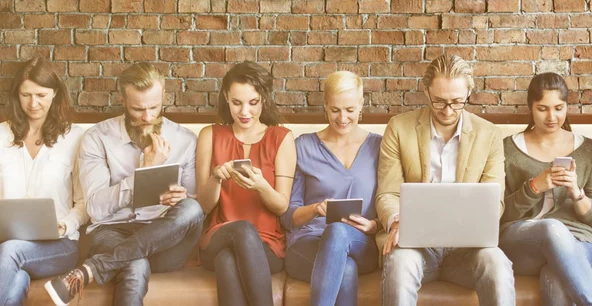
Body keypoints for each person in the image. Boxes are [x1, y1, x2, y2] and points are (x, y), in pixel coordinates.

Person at [44, 62, 204, 306]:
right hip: (111, 233)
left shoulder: (185, 140)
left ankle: (91, 270)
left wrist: (182, 199)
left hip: (164, 240)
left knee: (193, 209)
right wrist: (144, 173)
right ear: (122, 99)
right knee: (135, 262)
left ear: (163, 95)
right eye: (138, 109)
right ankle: (111, 262)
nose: (148, 117)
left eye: (154, 107)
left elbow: (192, 205)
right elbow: (96, 208)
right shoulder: (97, 137)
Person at [377, 54, 515, 306]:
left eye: (457, 102)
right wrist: (398, 220)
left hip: (467, 250)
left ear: (468, 94)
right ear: (426, 91)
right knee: (399, 264)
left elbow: (495, 202)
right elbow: (387, 194)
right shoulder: (399, 128)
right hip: (415, 246)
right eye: (439, 101)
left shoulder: (489, 134)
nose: (448, 111)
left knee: (496, 262)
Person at [195, 61, 296, 306]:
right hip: (217, 236)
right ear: (226, 99)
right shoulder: (210, 135)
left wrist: (261, 186)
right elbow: (204, 207)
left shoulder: (281, 138)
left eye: (253, 103)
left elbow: (282, 207)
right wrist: (216, 177)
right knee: (241, 228)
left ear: (263, 100)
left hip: (267, 245)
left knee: (228, 261)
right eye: (236, 103)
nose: (245, 112)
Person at [281, 71, 381, 306]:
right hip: (307, 244)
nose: (342, 117)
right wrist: (315, 209)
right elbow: (287, 217)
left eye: (350, 109)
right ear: (325, 106)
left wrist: (375, 225)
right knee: (344, 269)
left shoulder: (380, 146)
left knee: (338, 231)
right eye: (335, 109)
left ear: (361, 105)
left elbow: (391, 200)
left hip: (361, 244)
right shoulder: (303, 146)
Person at [500, 72, 592, 305]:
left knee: (555, 276)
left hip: (579, 243)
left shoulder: (587, 150)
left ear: (567, 107)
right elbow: (501, 212)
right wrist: (536, 186)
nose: (552, 117)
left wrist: (577, 193)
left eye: (558, 107)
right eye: (542, 108)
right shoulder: (508, 149)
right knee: (552, 228)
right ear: (530, 108)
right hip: (523, 242)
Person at [0, 57, 88, 306]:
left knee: (10, 252)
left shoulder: (75, 137)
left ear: (55, 93)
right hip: (6, 243)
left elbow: (84, 204)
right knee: (14, 275)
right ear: (17, 95)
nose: (33, 103)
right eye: (26, 94)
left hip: (58, 246)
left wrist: (64, 225)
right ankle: (19, 282)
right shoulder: (0, 135)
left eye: (41, 95)